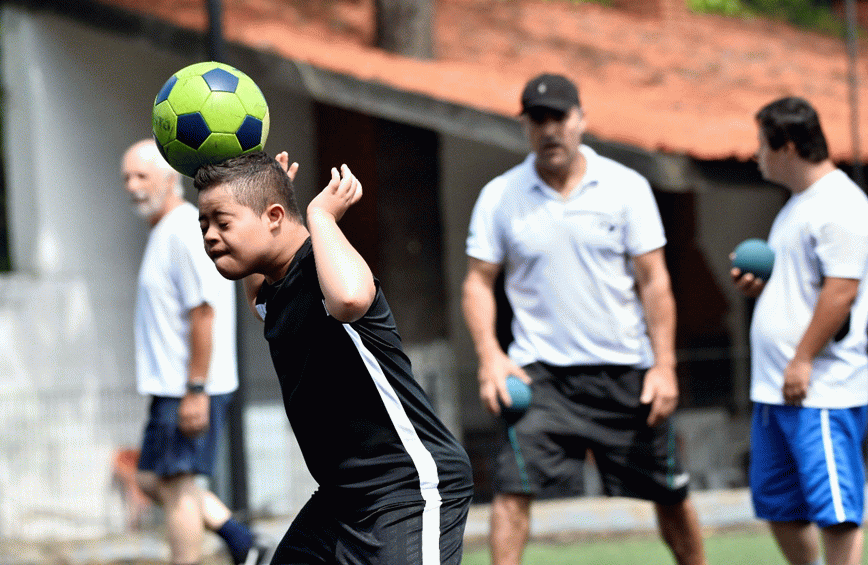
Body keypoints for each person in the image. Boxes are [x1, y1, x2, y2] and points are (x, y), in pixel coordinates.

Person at [462, 73, 707, 565]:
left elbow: (655, 282)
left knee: (671, 497)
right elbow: (477, 282)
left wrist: (664, 366)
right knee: (512, 493)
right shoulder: (500, 196)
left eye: (560, 117)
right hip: (540, 380)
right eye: (538, 120)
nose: (550, 129)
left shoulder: (626, 188)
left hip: (627, 373)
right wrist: (490, 356)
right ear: (527, 127)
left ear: (582, 120)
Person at [194, 151, 474, 565]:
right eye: (204, 225)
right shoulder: (274, 291)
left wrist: (319, 216)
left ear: (273, 217)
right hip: (342, 499)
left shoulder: (323, 269)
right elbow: (257, 297)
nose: (210, 236)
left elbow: (349, 298)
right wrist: (270, 194)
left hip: (406, 489)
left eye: (222, 221)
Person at [121, 139, 274, 565]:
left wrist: (195, 388)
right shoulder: (164, 231)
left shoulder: (185, 229)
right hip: (172, 385)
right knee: (153, 479)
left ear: (169, 178)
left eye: (141, 176)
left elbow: (204, 313)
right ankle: (244, 541)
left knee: (177, 487)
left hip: (186, 385)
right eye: (126, 178)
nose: (132, 186)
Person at [731, 97, 868, 565]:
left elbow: (840, 292)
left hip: (821, 391)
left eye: (762, 145)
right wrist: (761, 289)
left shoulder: (840, 204)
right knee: (778, 506)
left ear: (786, 146)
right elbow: (802, 289)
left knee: (837, 512)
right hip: (775, 388)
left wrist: (803, 358)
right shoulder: (795, 207)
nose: (756, 155)